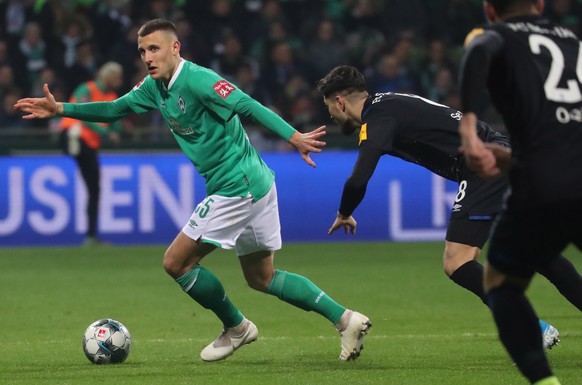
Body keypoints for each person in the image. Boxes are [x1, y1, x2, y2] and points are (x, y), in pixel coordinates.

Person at [14, 18, 371, 362]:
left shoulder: (199, 79)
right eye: (142, 51)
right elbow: (114, 109)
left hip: (237, 186)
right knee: (263, 278)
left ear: (175, 47)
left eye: (154, 49)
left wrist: (293, 136)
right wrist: (61, 108)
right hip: (256, 184)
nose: (148, 57)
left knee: (176, 262)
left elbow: (247, 103)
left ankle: (236, 327)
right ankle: (346, 320)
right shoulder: (154, 87)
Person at [316, 65, 582, 352]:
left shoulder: (378, 118)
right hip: (501, 154)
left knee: (457, 261)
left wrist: (344, 212)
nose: (330, 113)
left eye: (329, 106)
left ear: (340, 102)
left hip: (482, 165)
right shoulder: (390, 102)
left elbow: (358, 179)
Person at [457, 1, 582, 384]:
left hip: (545, 185)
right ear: (540, 5)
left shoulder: (499, 36)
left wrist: (469, 125)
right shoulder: (574, 43)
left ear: (489, 9)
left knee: (500, 284)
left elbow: (479, 49)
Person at [59, 61, 124, 246]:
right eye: (117, 77)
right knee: (93, 186)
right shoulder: (86, 89)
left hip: (90, 144)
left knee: (94, 188)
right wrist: (107, 132)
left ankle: (91, 235)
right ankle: (91, 235)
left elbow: (116, 120)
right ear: (107, 77)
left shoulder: (112, 97)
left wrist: (119, 125)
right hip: (77, 135)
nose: (120, 82)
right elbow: (82, 114)